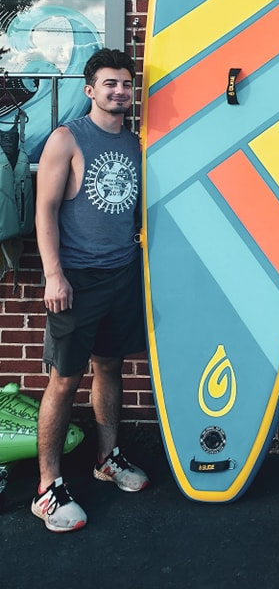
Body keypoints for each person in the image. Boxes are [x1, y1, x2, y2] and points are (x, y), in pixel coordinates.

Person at [31, 48, 149, 533]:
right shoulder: (68, 139)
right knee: (64, 378)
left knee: (111, 368)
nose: (119, 91)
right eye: (109, 84)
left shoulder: (137, 142)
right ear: (90, 90)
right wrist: (53, 274)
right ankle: (47, 488)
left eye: (125, 84)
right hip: (77, 279)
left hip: (122, 275)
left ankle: (107, 459)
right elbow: (45, 210)